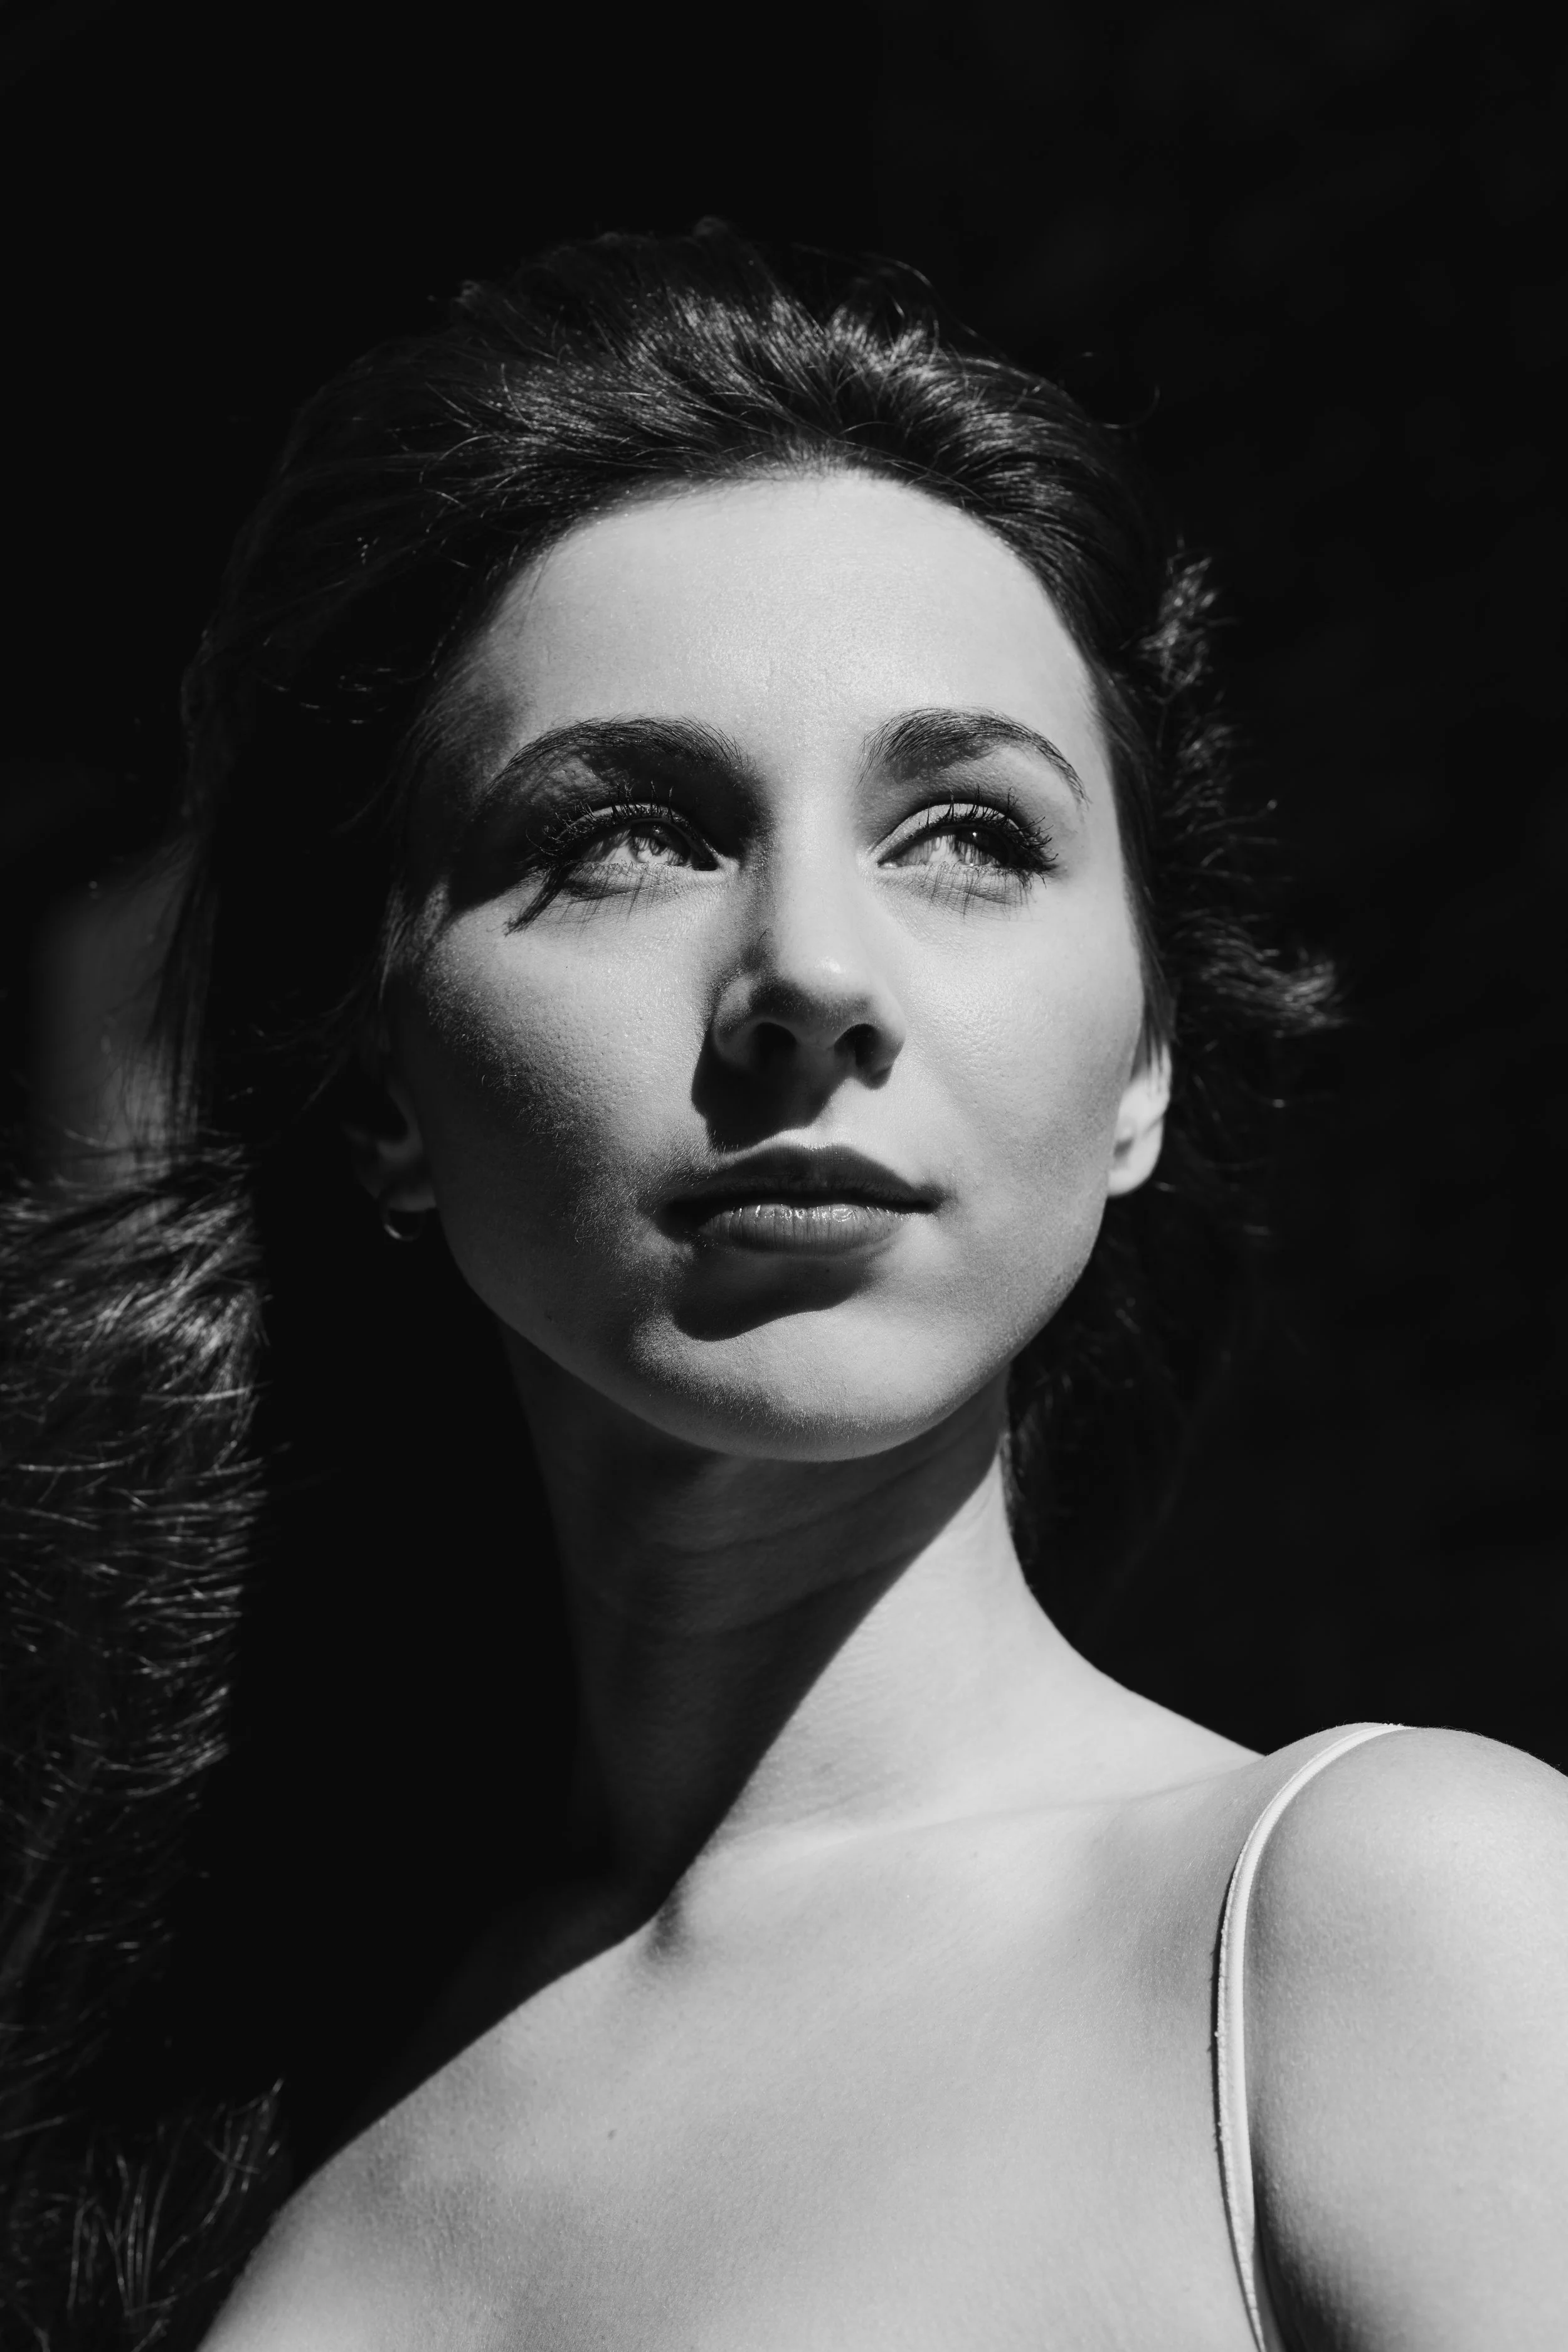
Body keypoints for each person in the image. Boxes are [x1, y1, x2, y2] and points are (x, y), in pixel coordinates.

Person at [2, 223, 1564, 2351]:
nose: (812, 974)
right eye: (630, 832)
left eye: (969, 835)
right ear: (375, 1083)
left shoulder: (1379, 1929)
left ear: (1140, 1065)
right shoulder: (218, 2102)